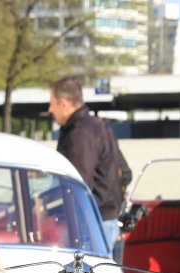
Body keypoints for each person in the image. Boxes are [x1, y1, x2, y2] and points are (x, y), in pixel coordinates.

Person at [48, 76, 130, 259]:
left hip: (88, 222)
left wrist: (46, 205)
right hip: (106, 220)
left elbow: (76, 183)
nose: (50, 109)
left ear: (63, 103)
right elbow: (126, 173)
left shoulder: (80, 134)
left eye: (52, 103)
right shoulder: (99, 127)